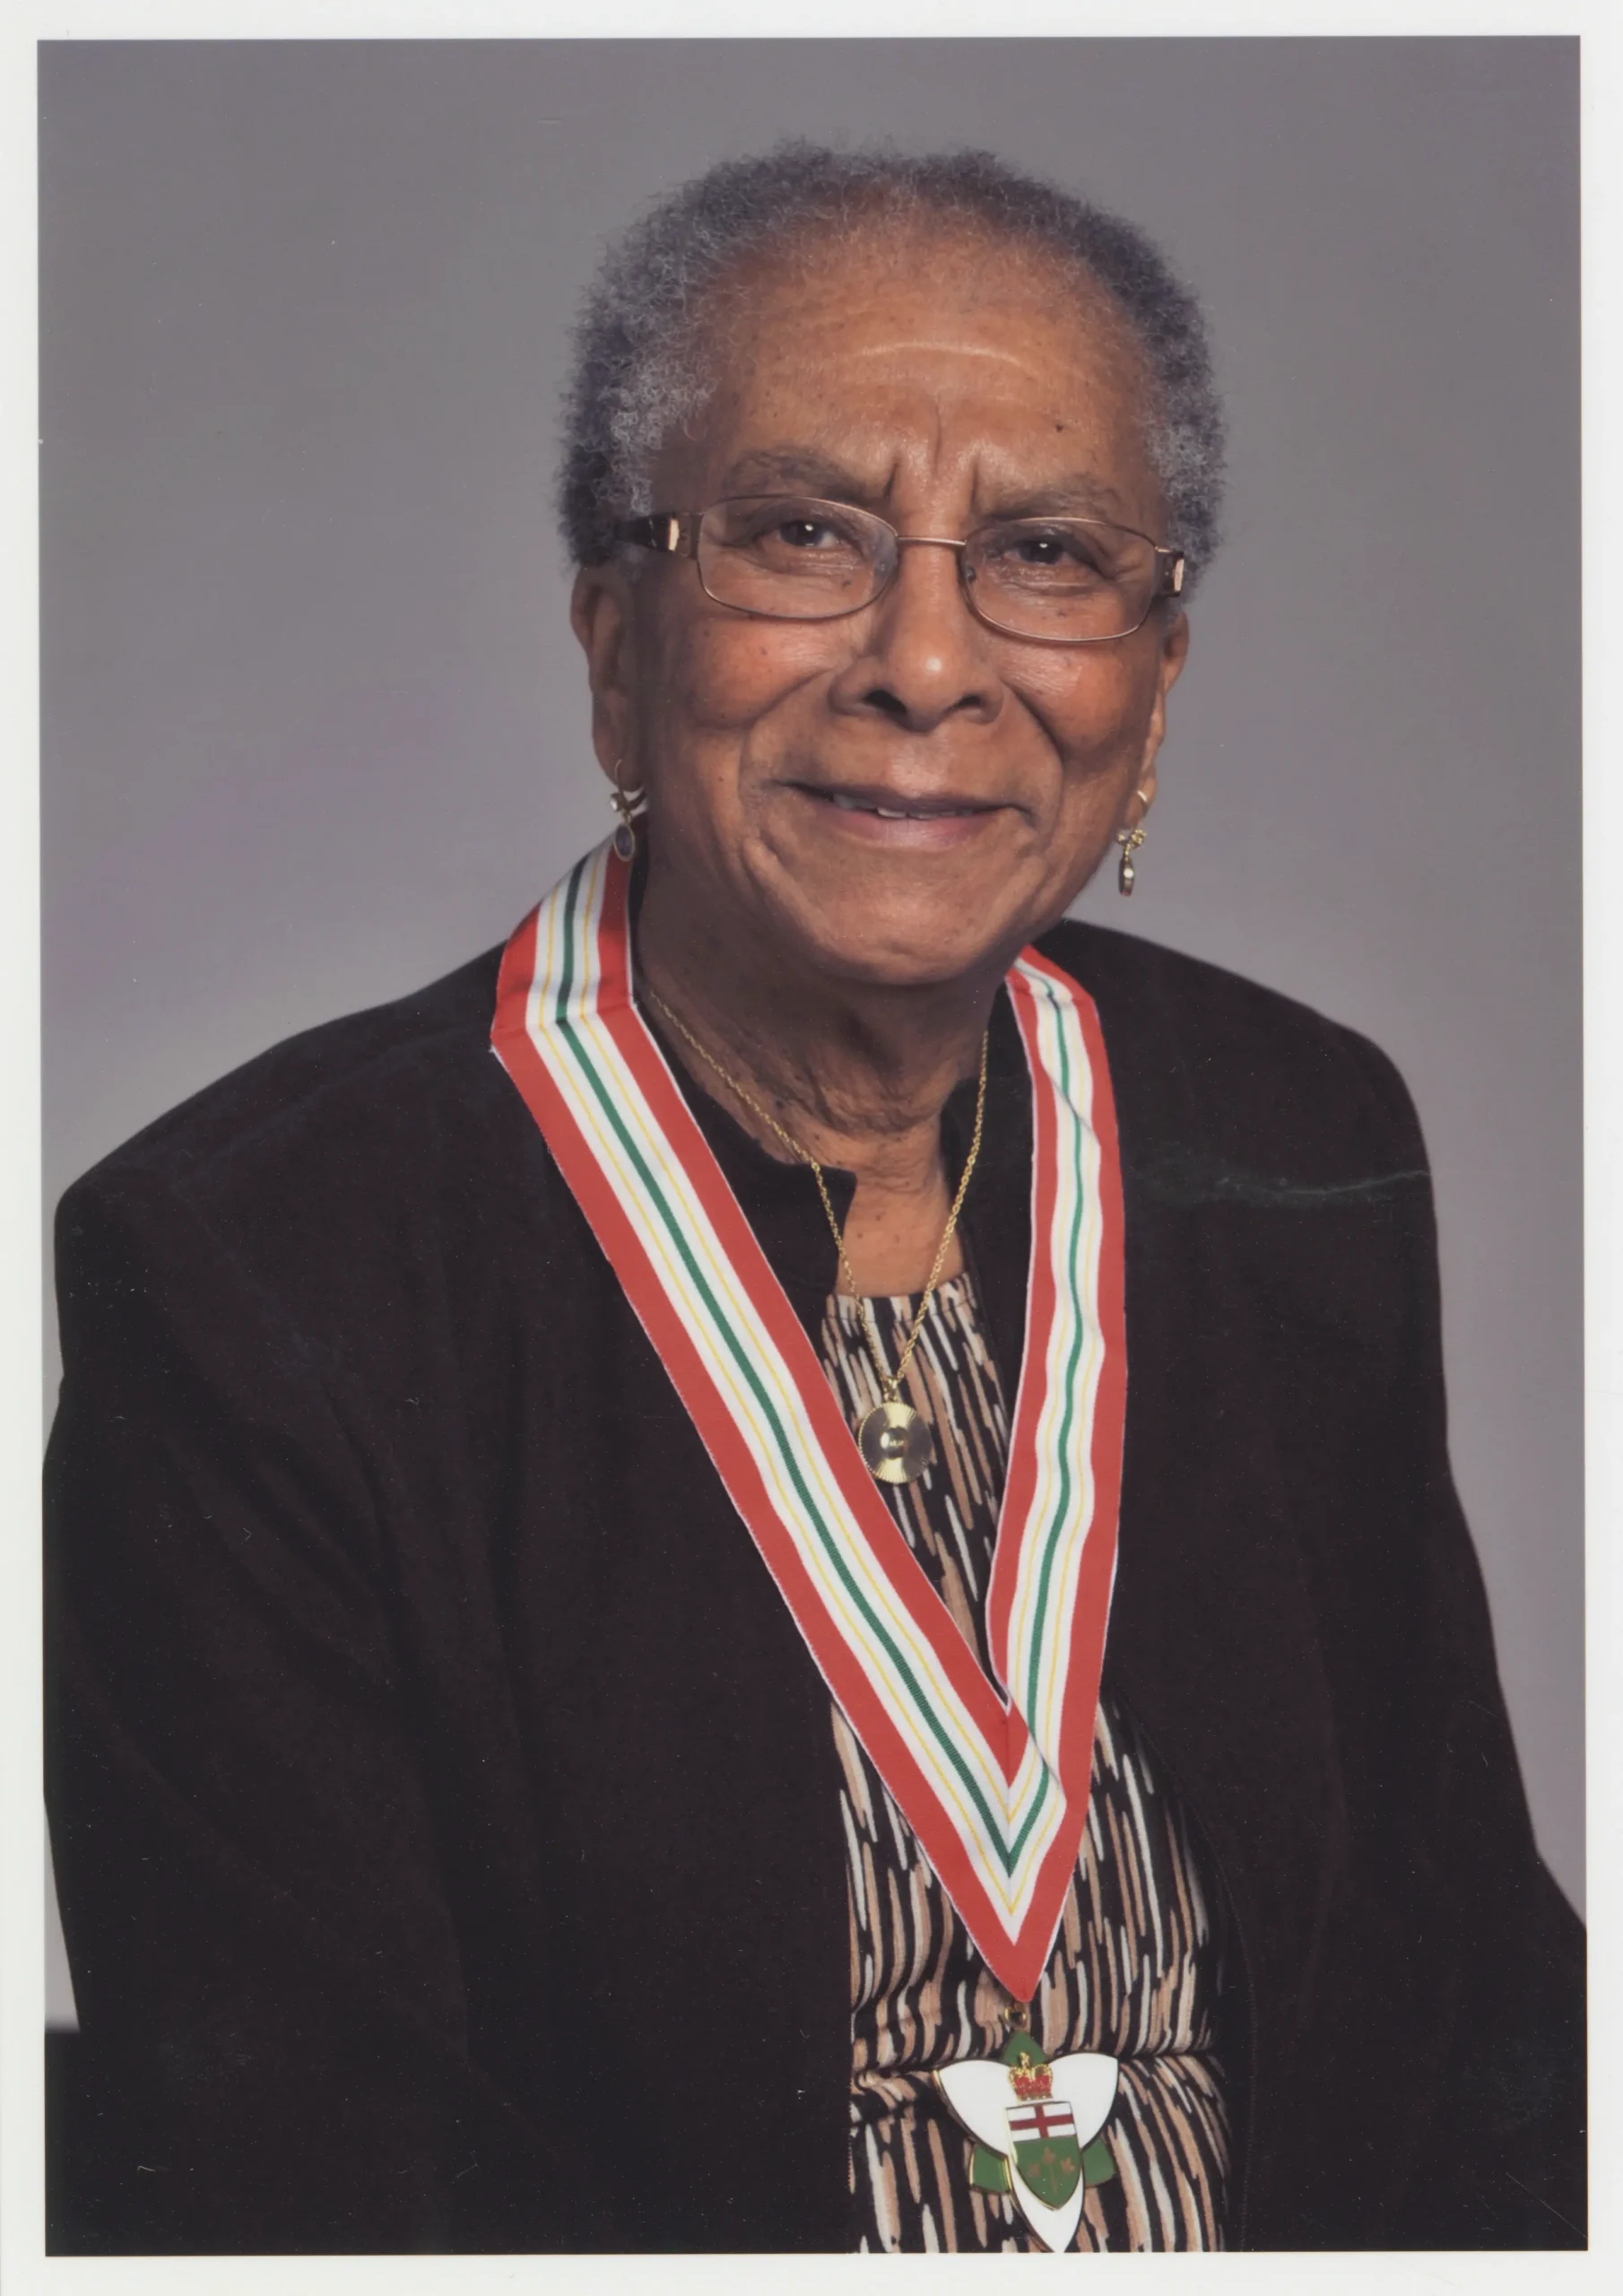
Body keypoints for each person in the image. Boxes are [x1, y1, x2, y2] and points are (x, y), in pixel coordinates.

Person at [45, 144, 1584, 2255]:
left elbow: (1477, 2021)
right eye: (799, 533)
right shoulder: (256, 1270)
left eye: (1042, 551)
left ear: (1148, 699)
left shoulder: (1294, 1133)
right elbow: (307, 2186)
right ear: (614, 645)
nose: (925, 663)